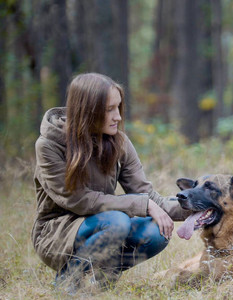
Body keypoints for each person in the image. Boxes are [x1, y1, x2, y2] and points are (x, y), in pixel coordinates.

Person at [31, 73, 188, 293]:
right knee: (117, 222)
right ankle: (68, 282)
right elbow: (78, 200)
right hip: (59, 231)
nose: (118, 117)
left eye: (118, 107)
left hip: (108, 222)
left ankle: (101, 285)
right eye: (109, 109)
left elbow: (146, 194)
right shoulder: (49, 145)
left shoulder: (119, 141)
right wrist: (142, 205)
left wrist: (197, 207)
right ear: (88, 110)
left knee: (157, 231)